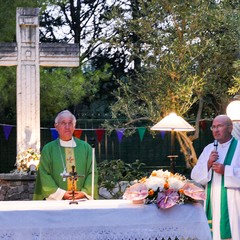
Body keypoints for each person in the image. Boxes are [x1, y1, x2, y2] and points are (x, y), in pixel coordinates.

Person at [191, 115, 240, 240]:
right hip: (212, 200)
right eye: (213, 127)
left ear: (230, 128)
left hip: (234, 202)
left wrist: (226, 171)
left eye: (220, 126)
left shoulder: (239, 147)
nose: (216, 130)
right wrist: (207, 164)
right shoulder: (208, 149)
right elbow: (195, 175)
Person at [33, 110, 98, 200]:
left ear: (74, 126)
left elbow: (92, 172)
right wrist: (61, 194)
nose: (67, 127)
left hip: (81, 200)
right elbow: (44, 174)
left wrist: (84, 192)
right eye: (63, 123)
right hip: (56, 202)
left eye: (70, 123)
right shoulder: (48, 149)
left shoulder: (86, 148)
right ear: (56, 126)